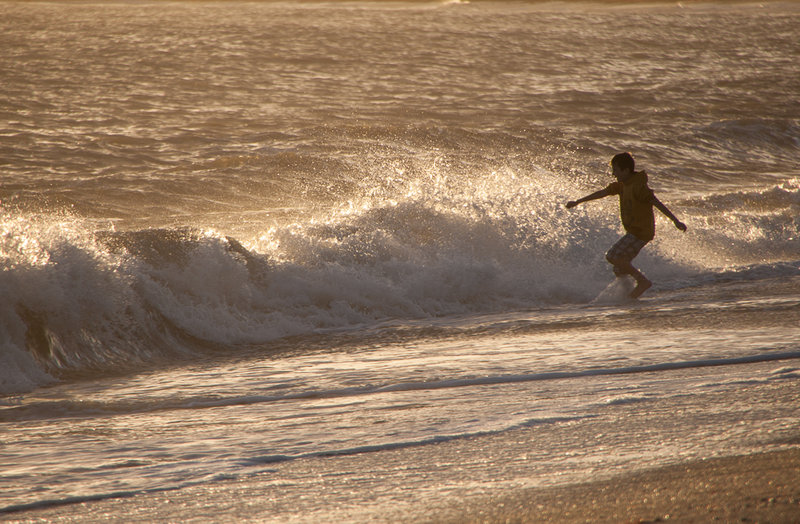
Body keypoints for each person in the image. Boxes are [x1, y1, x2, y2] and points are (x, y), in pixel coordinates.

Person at [566, 152, 687, 298]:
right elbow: (602, 193)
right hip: (634, 231)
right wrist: (578, 201)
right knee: (619, 268)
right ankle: (629, 297)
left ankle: (642, 281)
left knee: (612, 256)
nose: (613, 174)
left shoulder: (638, 187)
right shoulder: (622, 186)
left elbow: (657, 203)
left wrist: (675, 221)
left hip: (641, 232)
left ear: (626, 170)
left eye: (616, 170)